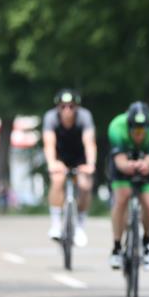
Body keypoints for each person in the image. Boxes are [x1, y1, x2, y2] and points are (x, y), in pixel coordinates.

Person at [107, 101, 149, 271]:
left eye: (142, 131)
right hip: (123, 162)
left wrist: (146, 165)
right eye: (135, 130)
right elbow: (119, 161)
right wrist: (126, 166)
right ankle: (117, 247)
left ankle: (147, 243)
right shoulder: (116, 127)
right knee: (121, 199)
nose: (138, 135)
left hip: (147, 162)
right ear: (128, 126)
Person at [42, 89, 97, 246]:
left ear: (77, 107)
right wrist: (52, 163)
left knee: (85, 185)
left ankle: (80, 226)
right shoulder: (51, 117)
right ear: (58, 107)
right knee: (57, 179)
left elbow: (89, 143)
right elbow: (49, 143)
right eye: (63, 106)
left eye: (71, 106)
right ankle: (55, 223)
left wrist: (90, 164)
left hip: (80, 157)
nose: (67, 110)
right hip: (60, 156)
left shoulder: (84, 117)